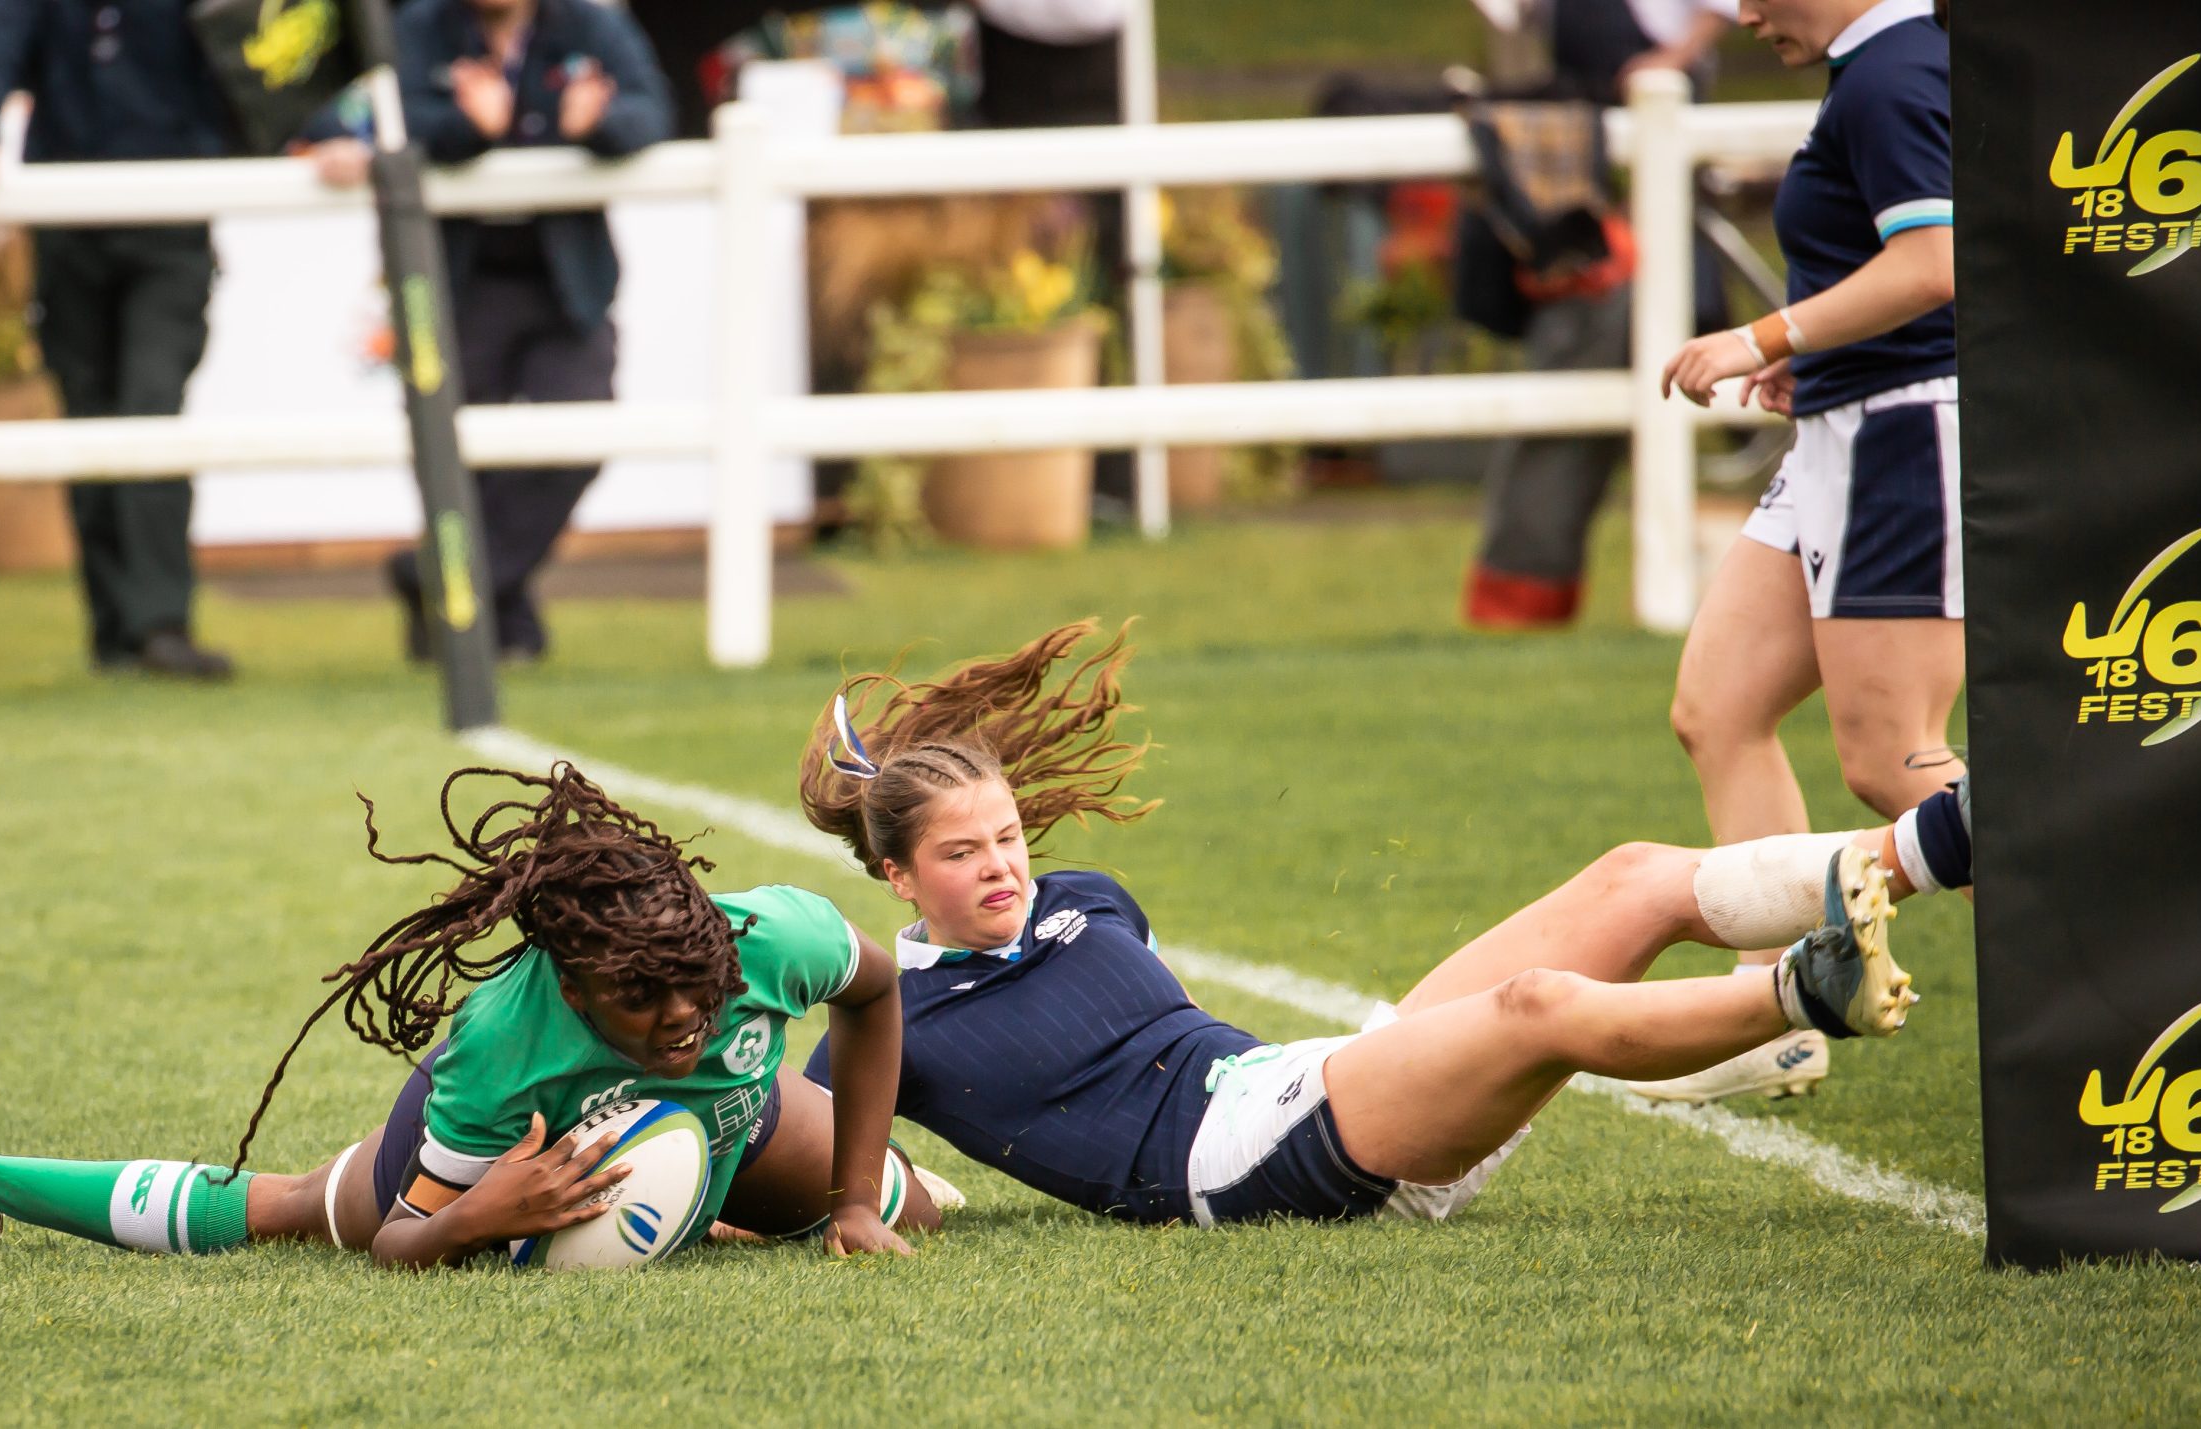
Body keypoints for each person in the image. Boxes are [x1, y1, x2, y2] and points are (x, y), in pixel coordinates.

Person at [791, 622, 1968, 1227]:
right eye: (961, 853)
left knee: (1631, 877)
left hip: (1307, 1081)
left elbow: (1176, 1048)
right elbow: (795, 1170)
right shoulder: (891, 1014)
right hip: (1241, 1173)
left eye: (1006, 837)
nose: (1002, 867)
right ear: (896, 876)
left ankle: (1931, 844)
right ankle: (1810, 997)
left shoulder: (1088, 896)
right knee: (1536, 1009)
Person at [0, 761, 938, 1265]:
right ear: (570, 986)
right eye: (639, 995)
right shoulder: (499, 1052)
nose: (682, 1018)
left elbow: (878, 993)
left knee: (915, 1207)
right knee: (301, 1207)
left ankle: (715, 1204)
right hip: (515, 1163)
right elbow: (403, 1243)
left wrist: (851, 1198)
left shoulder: (776, 936)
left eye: (696, 983)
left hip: (729, 1125)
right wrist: (485, 1214)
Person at [1651, 0, 1958, 1101]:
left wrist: (1760, 335)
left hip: (1903, 436)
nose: (1738, 13)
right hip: (1846, 422)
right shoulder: (1871, 69)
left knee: (1892, 762)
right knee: (1719, 705)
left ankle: (2144, 948)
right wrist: (1815, 362)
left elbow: (1933, 265)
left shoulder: (1892, 70)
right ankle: (1769, 1012)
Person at [311, 0, 674, 664]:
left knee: (578, 435)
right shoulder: (419, 29)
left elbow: (651, 111)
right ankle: (491, 626)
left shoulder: (590, 26)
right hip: (458, 278)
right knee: (454, 464)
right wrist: (467, 128)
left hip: (565, 280)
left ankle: (434, 583)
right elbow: (363, 119)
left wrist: (599, 126)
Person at [0, 0, 238, 679]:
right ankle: (115, 631)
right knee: (88, 416)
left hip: (170, 220)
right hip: (68, 221)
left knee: (151, 407)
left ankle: (161, 623)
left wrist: (317, 131)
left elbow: (256, 48)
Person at [1461, 0, 1739, 628]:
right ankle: (1526, 595)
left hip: (1653, 185)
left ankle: (1533, 594)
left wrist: (1668, 63)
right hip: (1600, 189)